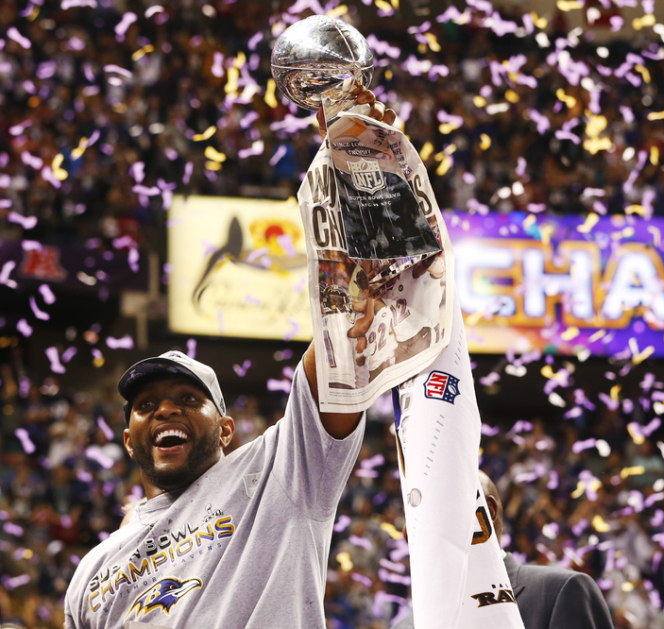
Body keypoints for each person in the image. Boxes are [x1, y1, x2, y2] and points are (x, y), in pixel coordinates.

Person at [64, 89, 396, 629]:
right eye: (147, 406)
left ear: (224, 430)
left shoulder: (278, 473)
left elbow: (338, 346)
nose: (165, 411)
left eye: (187, 400)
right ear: (129, 440)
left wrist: (357, 161)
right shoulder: (92, 570)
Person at [391, 471, 615, 629]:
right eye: (414, 519)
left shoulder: (560, 592)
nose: (410, 532)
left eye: (432, 512)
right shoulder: (407, 625)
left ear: (484, 514)